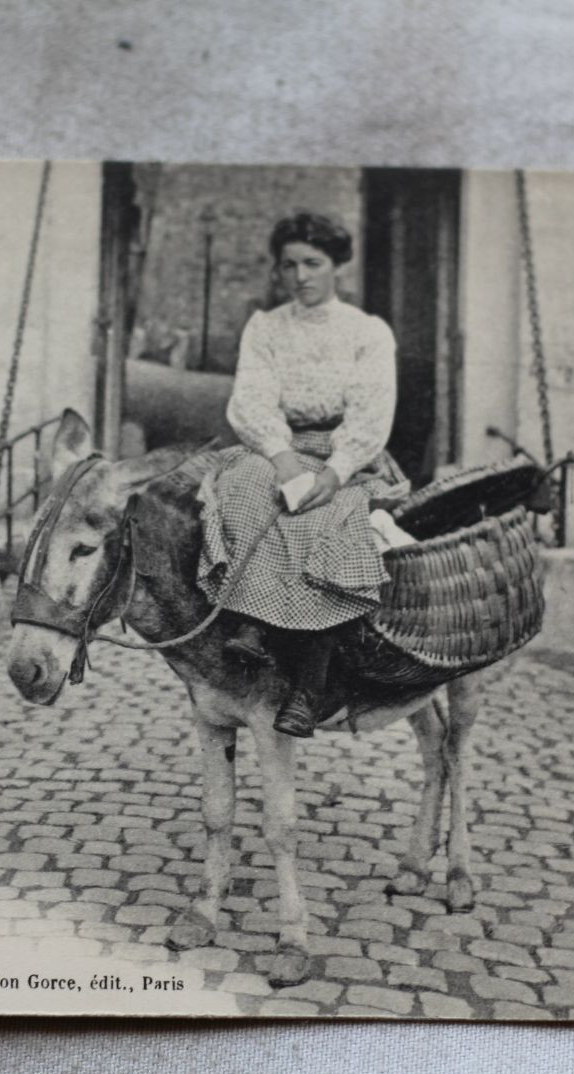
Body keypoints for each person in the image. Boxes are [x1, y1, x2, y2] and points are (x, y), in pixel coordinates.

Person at [197, 212, 408, 738]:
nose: (301, 276)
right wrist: (282, 458)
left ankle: (310, 684)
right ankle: (253, 625)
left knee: (332, 521)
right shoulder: (266, 328)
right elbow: (251, 399)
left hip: (346, 455)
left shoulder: (366, 332)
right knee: (244, 491)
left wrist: (336, 473)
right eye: (289, 265)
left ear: (337, 266)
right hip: (279, 447)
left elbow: (372, 411)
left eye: (313, 264)